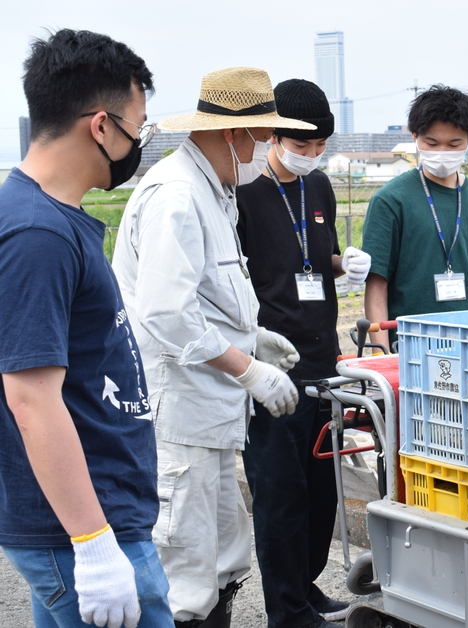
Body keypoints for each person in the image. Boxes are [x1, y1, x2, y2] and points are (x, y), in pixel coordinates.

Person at [111, 67, 315, 627]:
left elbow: (205, 298)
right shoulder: (177, 196)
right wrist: (247, 367)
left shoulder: (213, 190)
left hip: (212, 421)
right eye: (261, 136)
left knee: (224, 559)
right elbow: (165, 314)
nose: (262, 150)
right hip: (178, 420)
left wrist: (253, 337)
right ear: (234, 134)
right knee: (185, 574)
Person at [0, 29, 174, 628]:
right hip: (82, 528)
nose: (139, 143)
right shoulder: (38, 234)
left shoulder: (56, 216)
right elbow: (29, 395)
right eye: (138, 126)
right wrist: (95, 544)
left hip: (92, 518)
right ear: (101, 126)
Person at [236, 79, 368, 628]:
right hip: (272, 369)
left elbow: (321, 257)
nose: (311, 157)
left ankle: (305, 589)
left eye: (320, 149)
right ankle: (285, 611)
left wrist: (345, 265)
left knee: (320, 496)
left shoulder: (319, 191)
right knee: (280, 497)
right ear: (275, 135)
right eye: (303, 146)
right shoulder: (243, 193)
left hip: (323, 360)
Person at [361, 85, 468, 349]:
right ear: (414, 136)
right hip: (417, 347)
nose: (442, 152)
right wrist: (381, 353)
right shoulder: (391, 200)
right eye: (432, 143)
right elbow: (377, 285)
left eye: (454, 143)